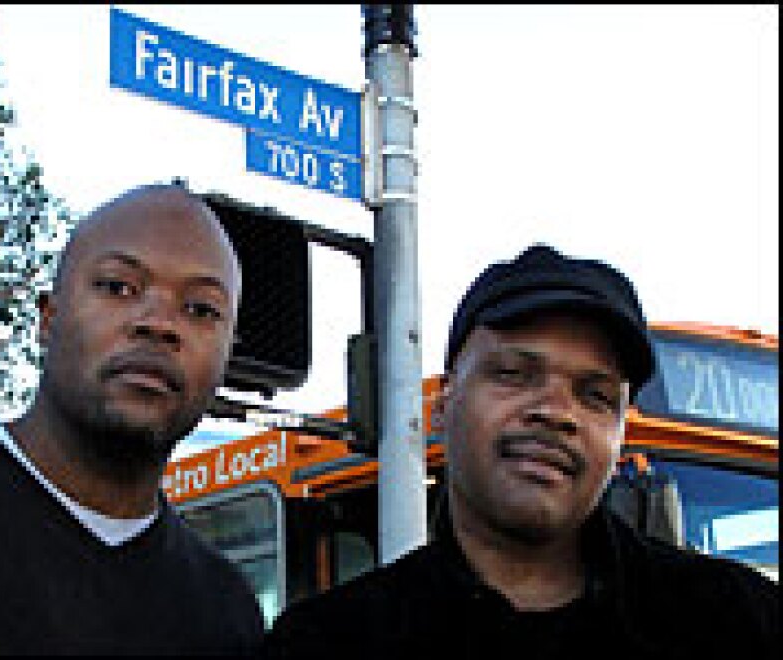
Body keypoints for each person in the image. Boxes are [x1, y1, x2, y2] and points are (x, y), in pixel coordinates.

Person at [263, 244, 779, 658]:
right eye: (513, 374)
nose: (556, 412)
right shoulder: (326, 644)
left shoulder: (741, 623)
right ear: (442, 406)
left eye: (595, 395)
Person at [0, 184, 264, 655]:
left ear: (227, 356)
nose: (158, 323)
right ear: (48, 318)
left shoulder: (226, 614)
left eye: (200, 309)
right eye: (118, 287)